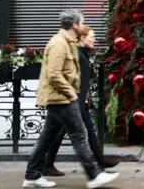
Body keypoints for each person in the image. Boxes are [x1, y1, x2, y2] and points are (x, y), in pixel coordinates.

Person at [23, 9, 119, 189]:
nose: (83, 27)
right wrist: (72, 93)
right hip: (61, 98)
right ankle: (94, 175)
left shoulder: (68, 43)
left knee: (46, 138)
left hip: (59, 98)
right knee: (79, 134)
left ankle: (32, 175)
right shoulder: (59, 44)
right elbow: (53, 74)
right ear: (74, 24)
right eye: (82, 23)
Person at [43, 26, 120, 177]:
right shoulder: (78, 55)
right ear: (82, 38)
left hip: (72, 100)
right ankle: (99, 163)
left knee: (56, 133)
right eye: (92, 36)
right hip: (73, 101)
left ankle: (46, 165)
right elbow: (74, 80)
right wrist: (79, 99)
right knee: (87, 131)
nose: (94, 39)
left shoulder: (81, 54)